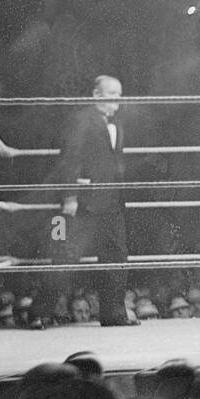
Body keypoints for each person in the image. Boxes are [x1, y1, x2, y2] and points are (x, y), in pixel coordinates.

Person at [47, 75, 136, 327]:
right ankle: (40, 312)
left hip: (112, 201)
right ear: (96, 95)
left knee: (117, 257)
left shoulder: (117, 123)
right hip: (84, 201)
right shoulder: (81, 120)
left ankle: (114, 313)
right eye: (112, 94)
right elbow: (70, 158)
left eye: (120, 95)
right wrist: (69, 196)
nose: (117, 100)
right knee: (65, 255)